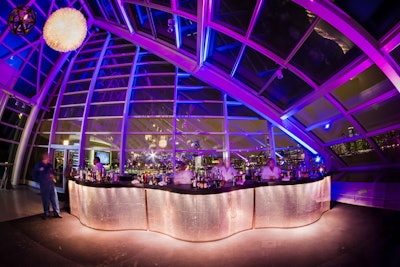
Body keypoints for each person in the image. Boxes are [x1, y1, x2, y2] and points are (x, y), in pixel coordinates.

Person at [32, 152, 62, 219]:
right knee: (46, 199)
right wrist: (39, 181)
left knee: (54, 198)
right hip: (44, 185)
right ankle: (47, 212)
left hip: (51, 184)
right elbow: (34, 174)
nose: (49, 159)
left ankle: (56, 212)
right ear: (45, 158)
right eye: (48, 157)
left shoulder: (50, 165)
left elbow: (52, 173)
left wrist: (53, 177)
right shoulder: (39, 165)